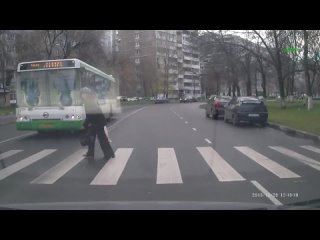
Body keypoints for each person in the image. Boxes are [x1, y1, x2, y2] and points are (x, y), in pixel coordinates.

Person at [80, 87, 115, 160]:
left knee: (101, 139)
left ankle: (108, 154)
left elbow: (91, 115)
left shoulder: (89, 102)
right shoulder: (90, 100)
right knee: (92, 139)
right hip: (96, 123)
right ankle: (92, 154)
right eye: (82, 94)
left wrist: (85, 125)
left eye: (83, 94)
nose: (82, 95)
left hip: (98, 123)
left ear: (86, 94)